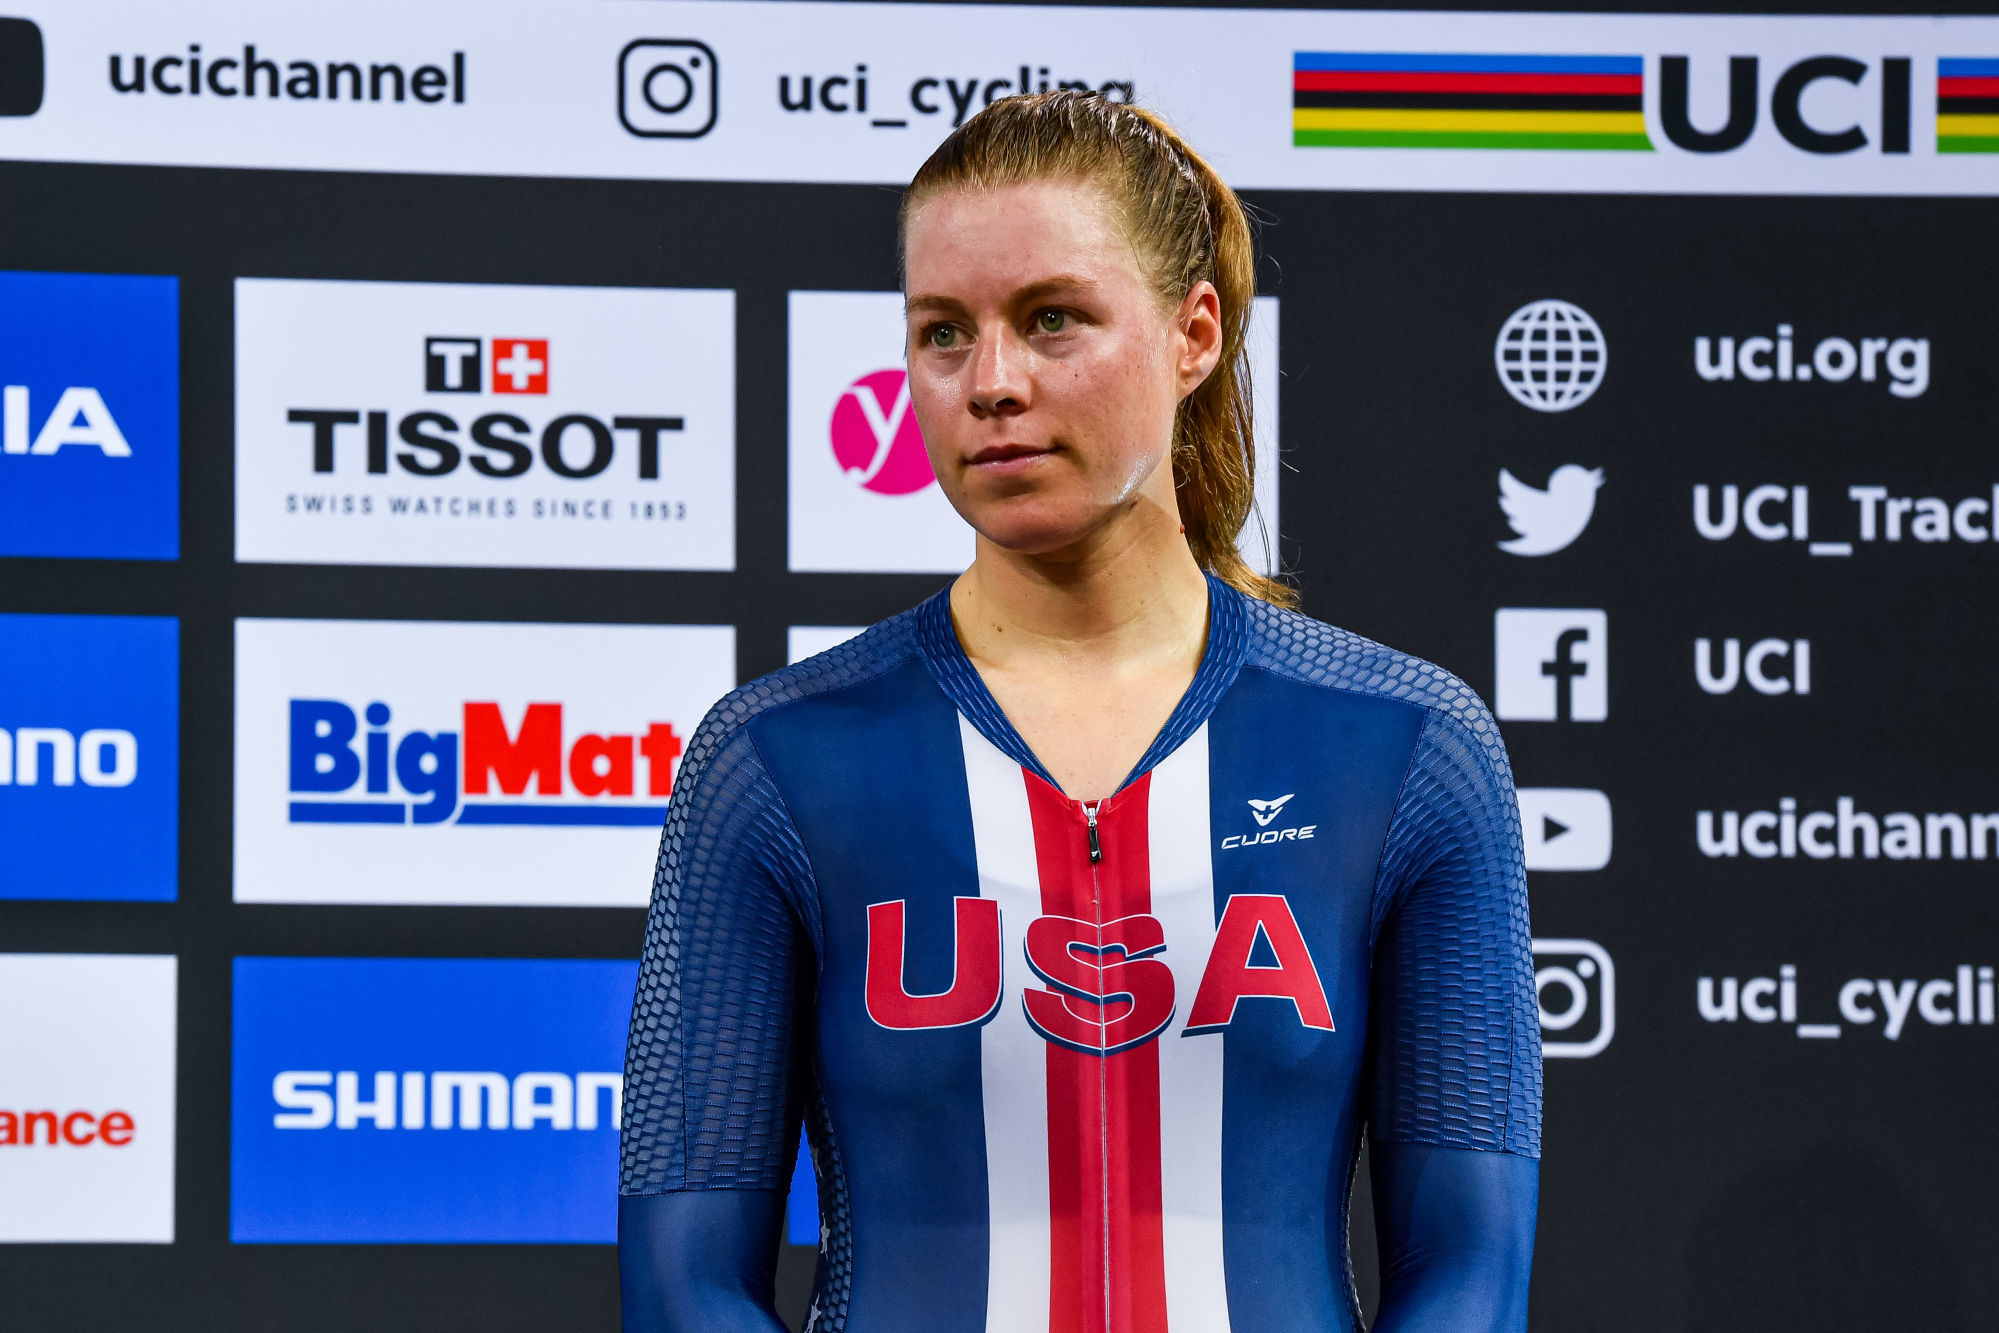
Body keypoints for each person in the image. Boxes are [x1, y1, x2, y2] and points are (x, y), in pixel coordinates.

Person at [619, 91, 1540, 1333]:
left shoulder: (1403, 746)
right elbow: (686, 1288)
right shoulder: (775, 760)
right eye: (943, 332)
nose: (989, 383)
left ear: (1192, 333)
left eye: (1052, 320)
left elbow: (1469, 1280)